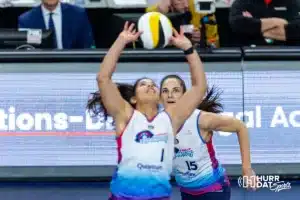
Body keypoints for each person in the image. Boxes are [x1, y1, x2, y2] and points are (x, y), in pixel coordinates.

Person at [87, 22, 207, 200]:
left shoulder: (170, 119)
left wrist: (188, 48)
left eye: (153, 85)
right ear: (133, 98)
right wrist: (121, 41)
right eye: (143, 84)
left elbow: (199, 87)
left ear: (159, 97)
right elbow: (103, 78)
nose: (150, 86)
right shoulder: (126, 115)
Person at [159, 74, 257, 200]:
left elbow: (240, 127)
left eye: (176, 90)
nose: (170, 95)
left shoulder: (200, 119)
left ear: (184, 97)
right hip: (186, 192)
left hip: (214, 189)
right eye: (165, 91)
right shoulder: (157, 124)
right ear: (160, 98)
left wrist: (247, 169)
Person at [18, 0, 94, 49]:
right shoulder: (26, 20)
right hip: (41, 68)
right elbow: (27, 50)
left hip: (73, 66)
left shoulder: (78, 14)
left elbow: (87, 46)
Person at [146, 0, 220, 48]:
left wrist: (203, 40)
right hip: (167, 54)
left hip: (194, 53)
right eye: (180, 0)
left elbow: (214, 41)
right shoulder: (154, 11)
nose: (186, 5)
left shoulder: (201, 7)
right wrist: (159, 12)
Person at [229, 0, 300, 46]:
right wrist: (276, 22)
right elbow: (236, 23)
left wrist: (256, 26)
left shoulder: (293, 2)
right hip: (251, 54)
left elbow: (297, 27)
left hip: (287, 54)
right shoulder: (242, 2)